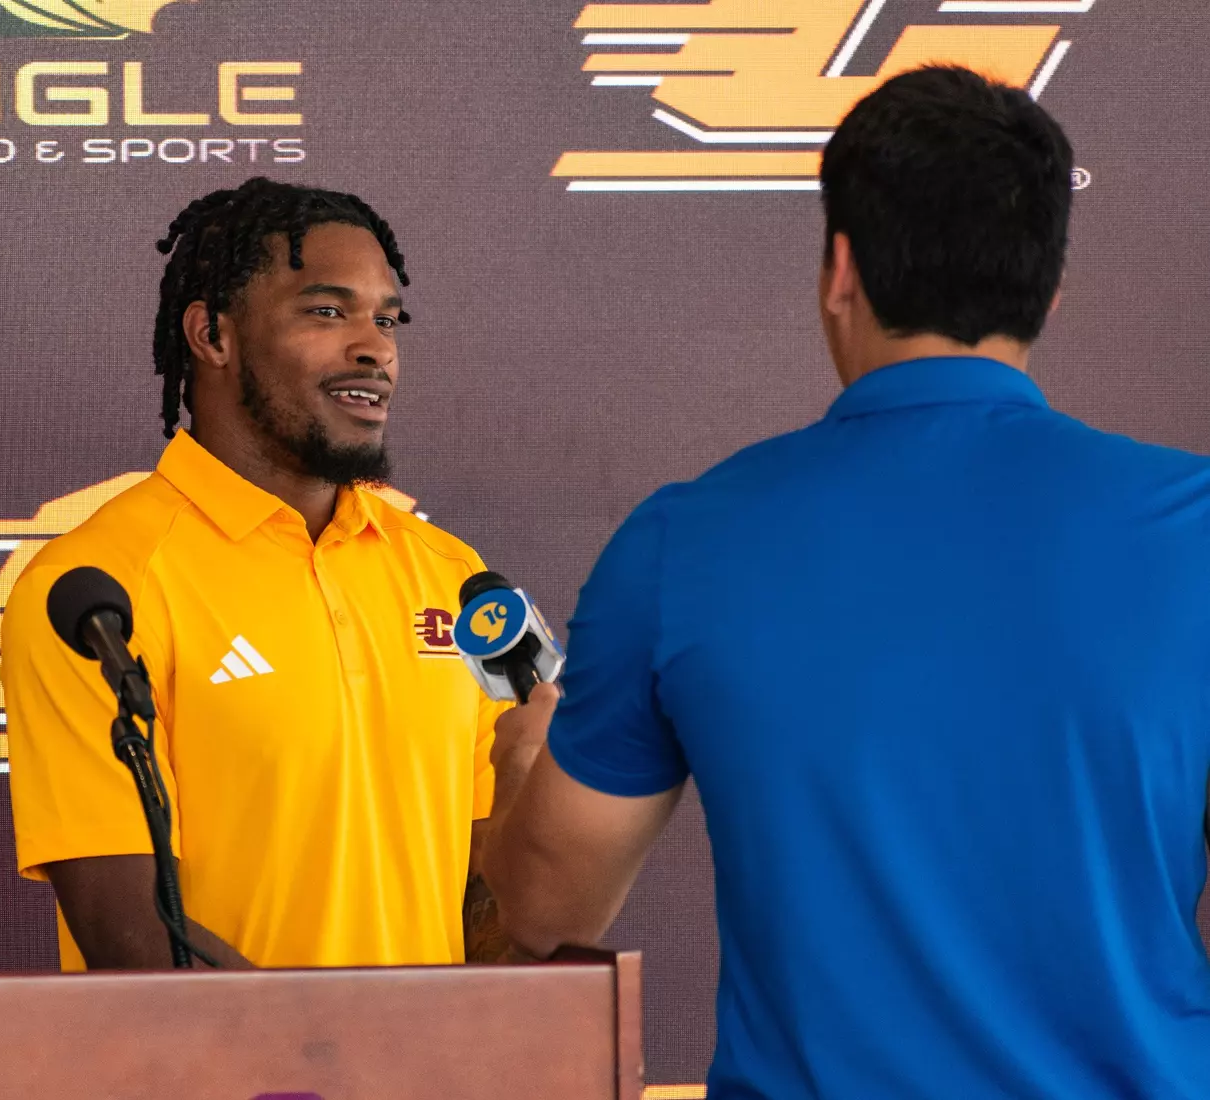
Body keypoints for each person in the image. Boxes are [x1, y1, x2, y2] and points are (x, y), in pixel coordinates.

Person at [484, 66, 1210, 1098]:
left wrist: (519, 766)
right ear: (1049, 287)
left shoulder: (684, 540)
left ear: (839, 270)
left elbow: (550, 910)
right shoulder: (1195, 525)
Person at [1, 178, 510, 971]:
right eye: (327, 311)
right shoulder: (101, 589)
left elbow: (496, 884)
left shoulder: (454, 576)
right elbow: (131, 936)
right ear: (211, 334)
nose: (375, 347)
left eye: (386, 318)